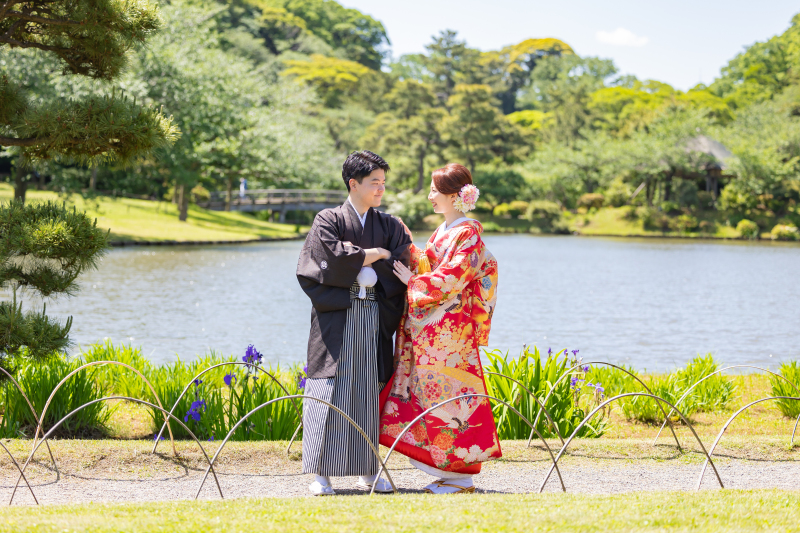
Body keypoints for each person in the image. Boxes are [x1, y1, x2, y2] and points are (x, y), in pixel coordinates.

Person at [296, 150, 412, 496]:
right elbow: (326, 260)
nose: (381, 189)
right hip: (336, 317)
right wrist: (374, 255)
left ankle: (367, 470)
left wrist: (365, 267)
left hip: (374, 315)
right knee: (328, 388)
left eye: (383, 183)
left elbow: (401, 262)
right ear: (353, 183)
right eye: (374, 182)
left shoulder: (389, 225)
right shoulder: (327, 220)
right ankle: (320, 474)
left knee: (367, 390)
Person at [379, 163, 500, 494]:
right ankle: (448, 473)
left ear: (452, 196)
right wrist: (401, 238)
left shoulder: (468, 233)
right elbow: (430, 263)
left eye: (434, 191)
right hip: (434, 332)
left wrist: (415, 281)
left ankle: (461, 477)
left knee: (451, 403)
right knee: (426, 398)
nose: (430, 196)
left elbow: (453, 276)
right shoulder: (446, 230)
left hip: (450, 335)